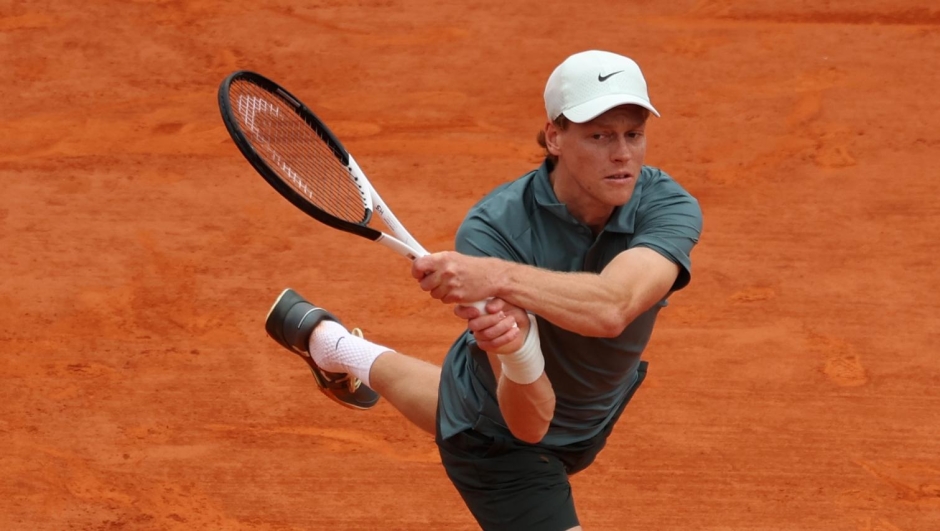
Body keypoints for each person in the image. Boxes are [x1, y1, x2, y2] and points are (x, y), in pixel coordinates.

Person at [264, 49, 703, 531]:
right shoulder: (494, 230)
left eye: (633, 135)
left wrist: (498, 276)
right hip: (502, 445)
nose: (622, 154)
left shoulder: (665, 203)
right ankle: (334, 345)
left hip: (589, 409)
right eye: (600, 136)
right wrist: (518, 350)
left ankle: (327, 341)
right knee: (468, 416)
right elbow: (529, 426)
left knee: (455, 398)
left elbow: (615, 307)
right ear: (555, 136)